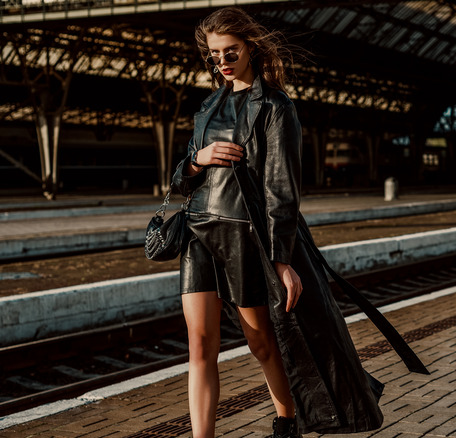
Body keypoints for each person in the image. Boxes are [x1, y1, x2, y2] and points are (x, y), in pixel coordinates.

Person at [172, 7, 426, 438]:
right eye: (215, 55)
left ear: (250, 47)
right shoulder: (207, 106)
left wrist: (281, 258)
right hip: (198, 232)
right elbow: (179, 179)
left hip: (242, 235)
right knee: (199, 345)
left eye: (230, 51)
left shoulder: (275, 107)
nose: (223, 61)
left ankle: (286, 422)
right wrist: (197, 159)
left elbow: (281, 189)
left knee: (262, 343)